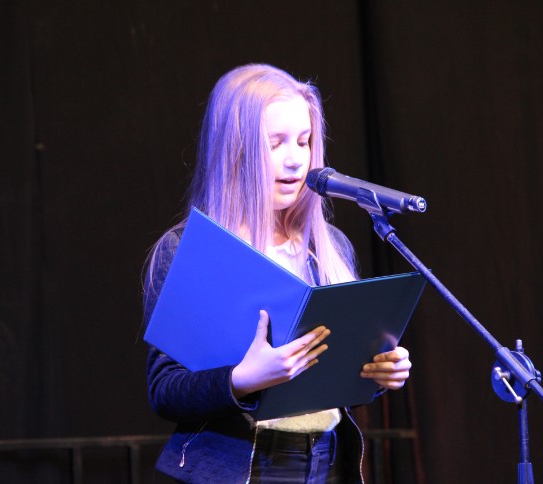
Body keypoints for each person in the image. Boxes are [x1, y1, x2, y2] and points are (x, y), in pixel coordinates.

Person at [143, 63, 412, 483]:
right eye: (275, 143)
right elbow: (165, 390)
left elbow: (331, 379)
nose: (295, 160)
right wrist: (241, 380)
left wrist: (377, 372)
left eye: (304, 142)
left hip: (326, 464)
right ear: (235, 150)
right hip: (243, 466)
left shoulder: (328, 248)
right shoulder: (188, 250)